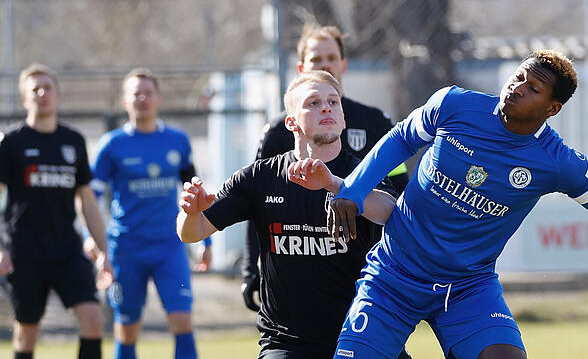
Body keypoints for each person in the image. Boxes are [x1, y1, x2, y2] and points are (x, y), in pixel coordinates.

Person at [291, 50, 588, 359]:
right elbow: (401, 139)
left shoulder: (557, 163)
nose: (516, 89)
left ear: (552, 108)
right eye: (517, 78)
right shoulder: (455, 105)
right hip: (393, 276)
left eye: (532, 89)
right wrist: (352, 189)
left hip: (467, 288)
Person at [176, 71, 411, 359]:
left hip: (364, 333)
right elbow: (191, 232)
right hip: (288, 343)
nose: (326, 107)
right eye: (312, 103)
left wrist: (337, 186)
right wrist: (191, 212)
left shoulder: (365, 173)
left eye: (333, 102)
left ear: (343, 119)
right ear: (291, 122)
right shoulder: (260, 178)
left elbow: (392, 214)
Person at [240, 23, 408, 312]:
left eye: (331, 57)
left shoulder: (375, 122)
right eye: (316, 59)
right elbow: (255, 202)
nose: (325, 64)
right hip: (299, 268)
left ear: (343, 63)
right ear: (301, 67)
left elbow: (401, 193)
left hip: (366, 264)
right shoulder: (280, 131)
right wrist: (250, 268)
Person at [90, 68, 210, 359]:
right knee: (127, 327)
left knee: (182, 320)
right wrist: (92, 240)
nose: (142, 99)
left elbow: (196, 193)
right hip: (126, 247)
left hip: (169, 246)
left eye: (148, 93)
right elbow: (90, 197)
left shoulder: (178, 141)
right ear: (125, 102)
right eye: (136, 94)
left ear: (158, 98)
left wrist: (206, 241)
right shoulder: (111, 145)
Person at [0, 63, 113, 359]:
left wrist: (103, 253)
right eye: (34, 89)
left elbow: (86, 200)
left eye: (47, 87)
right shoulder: (11, 143)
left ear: (58, 95)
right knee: (27, 331)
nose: (42, 93)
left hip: (67, 248)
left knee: (93, 318)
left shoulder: (73, 141)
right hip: (23, 250)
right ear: (25, 99)